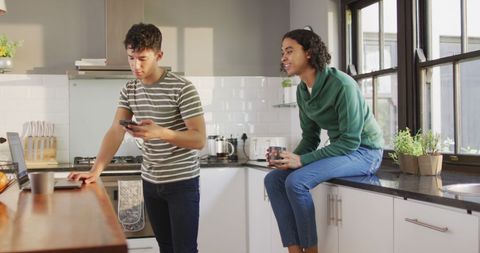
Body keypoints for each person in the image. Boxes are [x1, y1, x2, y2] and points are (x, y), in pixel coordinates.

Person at [68, 23, 206, 253]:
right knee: (166, 247)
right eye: (131, 57)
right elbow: (115, 130)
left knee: (184, 250)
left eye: (142, 58)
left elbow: (199, 138)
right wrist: (96, 170)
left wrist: (160, 132)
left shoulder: (182, 88)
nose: (135, 65)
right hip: (151, 182)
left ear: (159, 55)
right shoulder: (130, 89)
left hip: (181, 183)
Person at [265, 29, 384, 253]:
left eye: (289, 51)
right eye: (282, 52)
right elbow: (310, 138)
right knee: (274, 180)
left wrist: (301, 160)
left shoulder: (343, 85)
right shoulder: (302, 91)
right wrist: (287, 160)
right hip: (342, 151)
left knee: (296, 182)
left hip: (365, 152)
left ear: (309, 53)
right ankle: (294, 249)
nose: (283, 58)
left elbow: (350, 142)